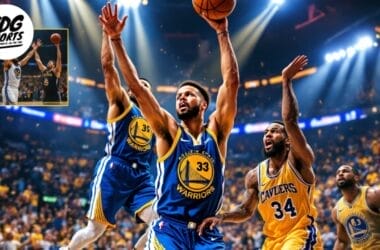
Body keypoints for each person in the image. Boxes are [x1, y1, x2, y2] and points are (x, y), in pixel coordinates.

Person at [100, 2, 239, 249]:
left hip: (206, 232)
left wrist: (222, 32)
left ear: (204, 104)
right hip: (169, 229)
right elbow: (137, 89)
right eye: (178, 96)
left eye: (189, 94)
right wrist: (116, 40)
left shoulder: (217, 132)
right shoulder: (168, 130)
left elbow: (231, 83)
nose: (181, 98)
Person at [198, 55, 323, 249]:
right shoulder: (254, 176)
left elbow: (290, 121)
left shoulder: (298, 160)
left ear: (288, 140)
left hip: (300, 234)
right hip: (272, 241)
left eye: (274, 131)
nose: (268, 135)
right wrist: (221, 217)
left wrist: (286, 80)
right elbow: (246, 210)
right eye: (266, 132)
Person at [60, 26, 156, 250]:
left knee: (163, 221)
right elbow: (107, 67)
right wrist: (106, 34)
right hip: (115, 169)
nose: (143, 90)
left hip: (141, 175)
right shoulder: (122, 104)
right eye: (140, 86)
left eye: (147, 88)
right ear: (132, 90)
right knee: (94, 231)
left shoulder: (155, 119)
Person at [332, 164, 380, 250]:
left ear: (356, 177)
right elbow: (342, 241)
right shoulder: (337, 210)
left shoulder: (374, 194)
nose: (340, 174)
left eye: (345, 171)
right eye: (338, 173)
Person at [2, 40, 41, 105]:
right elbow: (6, 57)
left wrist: (35, 48)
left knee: (11, 108)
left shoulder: (19, 64)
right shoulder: (8, 64)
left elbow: (28, 56)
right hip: (9, 88)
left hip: (16, 89)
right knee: (11, 106)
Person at [34, 38, 62, 104]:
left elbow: (59, 58)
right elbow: (37, 60)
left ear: (54, 65)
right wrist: (35, 48)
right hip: (45, 95)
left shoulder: (56, 71)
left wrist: (58, 46)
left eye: (50, 62)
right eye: (48, 62)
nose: (48, 62)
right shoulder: (44, 69)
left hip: (54, 96)